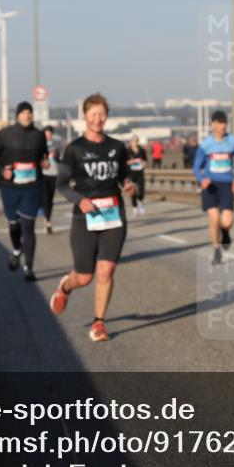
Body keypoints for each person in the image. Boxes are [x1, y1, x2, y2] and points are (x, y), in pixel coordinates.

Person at [49, 93, 135, 343]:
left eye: (102, 114)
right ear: (85, 116)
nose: (98, 119)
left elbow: (124, 177)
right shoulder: (74, 149)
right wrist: (80, 200)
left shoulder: (117, 147)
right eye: (93, 114)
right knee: (84, 277)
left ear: (106, 116)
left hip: (113, 215)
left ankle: (99, 323)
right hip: (85, 217)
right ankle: (65, 286)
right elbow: (62, 184)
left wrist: (128, 186)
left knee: (106, 270)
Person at [0, 101, 48, 282]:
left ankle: (28, 268)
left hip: (32, 186)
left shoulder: (39, 135)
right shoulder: (5, 134)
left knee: (28, 228)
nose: (27, 116)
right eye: (23, 113)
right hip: (10, 187)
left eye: (29, 113)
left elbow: (43, 155)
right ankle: (16, 250)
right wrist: (1, 171)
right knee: (14, 225)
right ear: (17, 115)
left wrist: (44, 162)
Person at [193, 110, 234, 265]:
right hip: (210, 185)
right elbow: (196, 166)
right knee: (214, 219)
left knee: (227, 222)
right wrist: (201, 179)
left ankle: (226, 232)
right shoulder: (206, 144)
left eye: (225, 123)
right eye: (220, 123)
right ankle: (216, 251)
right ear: (212, 124)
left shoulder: (233, 142)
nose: (223, 126)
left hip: (227, 184)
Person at [40, 126, 62, 234]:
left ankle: (48, 218)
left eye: (49, 134)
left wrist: (56, 157)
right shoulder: (39, 145)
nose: (48, 136)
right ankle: (47, 220)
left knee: (50, 199)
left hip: (54, 173)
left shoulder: (56, 145)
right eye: (46, 134)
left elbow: (60, 160)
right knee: (45, 198)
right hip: (43, 174)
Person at [126, 135, 148, 217]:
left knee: (141, 190)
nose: (135, 142)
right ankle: (134, 208)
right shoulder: (127, 151)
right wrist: (132, 161)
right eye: (133, 141)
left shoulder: (142, 150)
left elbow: (145, 160)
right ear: (131, 142)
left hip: (140, 172)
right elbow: (124, 163)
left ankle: (140, 202)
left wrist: (143, 163)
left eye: (136, 141)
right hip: (131, 173)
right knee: (133, 191)